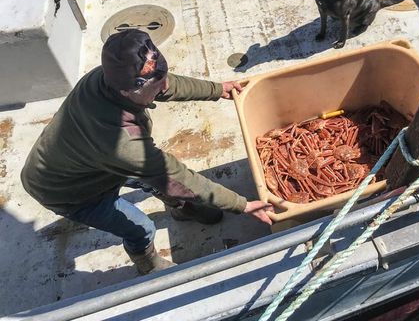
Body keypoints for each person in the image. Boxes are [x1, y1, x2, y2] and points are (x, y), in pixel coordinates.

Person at [21, 29, 274, 275]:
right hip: (68, 190)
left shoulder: (109, 76)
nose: (164, 86)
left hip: (86, 157)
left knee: (151, 178)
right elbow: (174, 176)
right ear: (127, 91)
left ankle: (182, 209)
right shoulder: (123, 143)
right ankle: (148, 264)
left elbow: (167, 84)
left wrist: (217, 90)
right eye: (157, 85)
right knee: (141, 228)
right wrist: (242, 205)